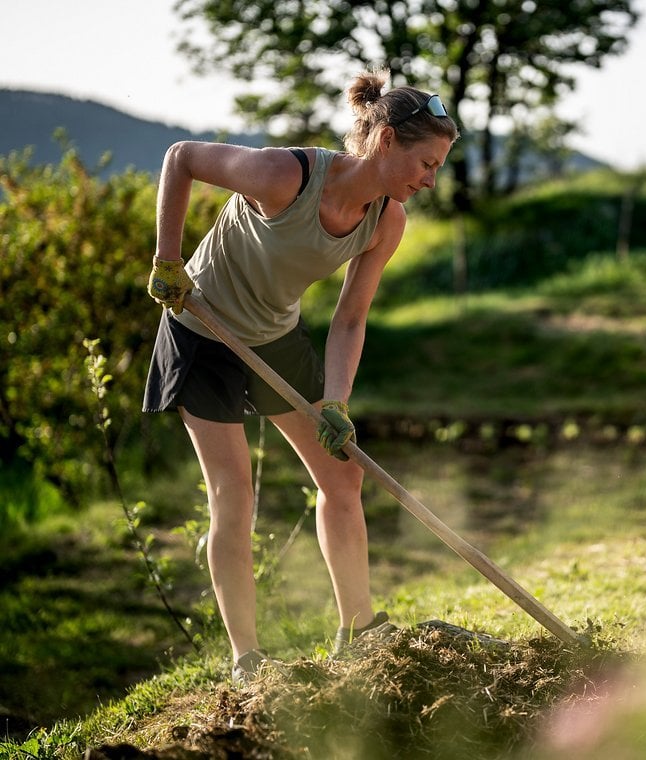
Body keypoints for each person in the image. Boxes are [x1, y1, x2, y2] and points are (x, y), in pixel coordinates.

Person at [141, 70, 459, 685]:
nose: (430, 179)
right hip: (201, 330)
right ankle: (247, 659)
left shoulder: (385, 222)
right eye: (426, 162)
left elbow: (349, 320)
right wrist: (168, 259)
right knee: (234, 497)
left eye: (438, 167)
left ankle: (358, 629)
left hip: (275, 336)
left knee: (342, 476)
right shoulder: (287, 177)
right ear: (386, 140)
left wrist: (336, 402)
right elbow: (180, 158)